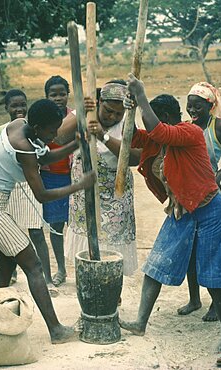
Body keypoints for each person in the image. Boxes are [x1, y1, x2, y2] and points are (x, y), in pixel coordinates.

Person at [119, 73, 221, 353]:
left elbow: (159, 131)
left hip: (210, 209)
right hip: (181, 211)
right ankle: (140, 322)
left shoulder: (189, 133)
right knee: (155, 265)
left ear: (165, 116)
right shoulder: (158, 138)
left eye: (153, 115)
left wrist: (141, 97)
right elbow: (132, 137)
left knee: (213, 274)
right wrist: (128, 109)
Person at [0, 99, 96, 344]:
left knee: (7, 266)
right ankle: (56, 331)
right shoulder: (24, 148)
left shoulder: (20, 125)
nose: (54, 134)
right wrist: (78, 186)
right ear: (38, 126)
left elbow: (45, 157)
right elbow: (41, 194)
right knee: (34, 266)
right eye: (51, 130)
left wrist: (77, 143)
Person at [55, 80, 138, 277]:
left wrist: (104, 137)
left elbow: (135, 158)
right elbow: (59, 138)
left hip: (116, 195)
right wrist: (83, 112)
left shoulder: (128, 121)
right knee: (87, 247)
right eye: (108, 110)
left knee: (112, 247)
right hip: (86, 192)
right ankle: (89, 287)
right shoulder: (84, 113)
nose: (113, 117)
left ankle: (112, 289)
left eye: (118, 113)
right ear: (99, 102)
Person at [0, 89, 58, 297]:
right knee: (9, 233)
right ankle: (10, 273)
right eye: (14, 106)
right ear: (6, 108)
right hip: (11, 188)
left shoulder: (33, 130)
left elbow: (41, 157)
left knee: (36, 232)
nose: (19, 109)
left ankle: (46, 277)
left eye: (23, 105)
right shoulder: (2, 131)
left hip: (30, 186)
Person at [177, 82, 221, 321]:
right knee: (191, 250)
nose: (192, 110)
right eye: (189, 106)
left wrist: (220, 173)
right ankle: (194, 299)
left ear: (210, 106)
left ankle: (216, 305)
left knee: (212, 253)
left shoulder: (219, 127)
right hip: (189, 199)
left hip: (210, 198)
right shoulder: (187, 128)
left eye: (197, 106)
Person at [40, 76, 73, 287]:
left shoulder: (74, 117)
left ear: (68, 95)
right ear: (47, 97)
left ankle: (81, 265)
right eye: (53, 94)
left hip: (73, 176)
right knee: (56, 225)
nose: (58, 98)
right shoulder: (41, 119)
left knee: (78, 225)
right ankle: (61, 268)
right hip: (50, 178)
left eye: (62, 94)